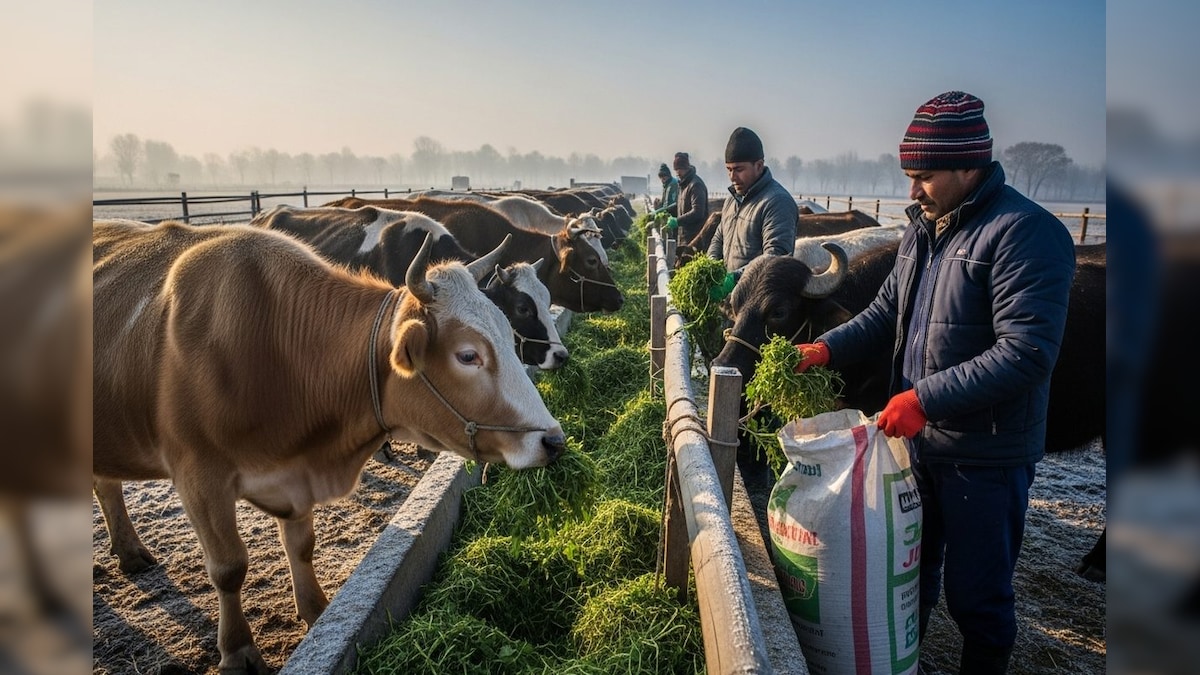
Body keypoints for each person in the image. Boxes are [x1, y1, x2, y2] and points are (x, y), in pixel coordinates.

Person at [792, 91, 1076, 674]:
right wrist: (825, 349)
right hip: (921, 448)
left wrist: (923, 397)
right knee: (911, 573)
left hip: (985, 454)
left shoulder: (1025, 233)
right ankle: (905, 662)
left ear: (969, 166)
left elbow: (1026, 353)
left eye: (923, 176)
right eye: (909, 176)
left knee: (978, 597)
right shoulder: (925, 229)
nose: (912, 191)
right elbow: (885, 312)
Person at [707, 127, 797, 277]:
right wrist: (711, 268)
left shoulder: (777, 202)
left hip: (756, 297)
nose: (732, 176)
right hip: (731, 294)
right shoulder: (731, 201)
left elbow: (775, 259)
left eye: (738, 169)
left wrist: (733, 280)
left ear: (759, 166)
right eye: (728, 169)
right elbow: (718, 238)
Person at [672, 151, 709, 245]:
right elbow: (680, 205)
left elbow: (698, 212)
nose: (677, 172)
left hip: (695, 237)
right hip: (684, 236)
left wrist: (678, 221)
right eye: (676, 169)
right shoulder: (682, 185)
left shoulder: (696, 185)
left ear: (686, 168)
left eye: (679, 169)